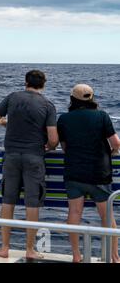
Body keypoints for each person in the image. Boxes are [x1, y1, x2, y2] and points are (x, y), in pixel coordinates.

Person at [0, 70, 59, 259]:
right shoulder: (47, 105)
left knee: (8, 200)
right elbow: (53, 140)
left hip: (11, 156)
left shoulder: (12, 97)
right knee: (32, 203)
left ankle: (4, 248)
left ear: (25, 82)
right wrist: (48, 147)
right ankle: (30, 250)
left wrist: (5, 123)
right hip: (34, 157)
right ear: (43, 84)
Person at [57, 84, 120, 263]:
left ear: (72, 99)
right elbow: (116, 143)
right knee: (106, 216)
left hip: (74, 173)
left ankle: (77, 256)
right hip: (99, 174)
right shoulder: (102, 116)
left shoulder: (64, 119)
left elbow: (64, 147)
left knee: (74, 214)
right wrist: (112, 152)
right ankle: (114, 257)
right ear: (91, 98)